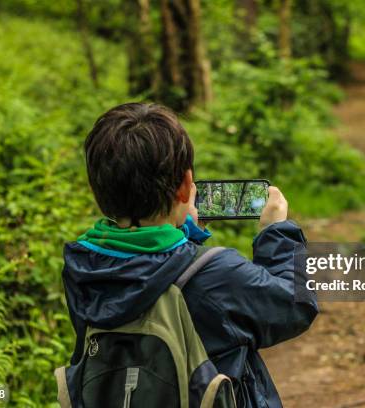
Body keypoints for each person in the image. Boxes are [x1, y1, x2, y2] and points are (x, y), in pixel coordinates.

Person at [61, 102, 318, 408]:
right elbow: (294, 305)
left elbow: (145, 273)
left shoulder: (84, 266)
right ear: (185, 185)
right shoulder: (216, 273)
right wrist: (276, 231)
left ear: (95, 189)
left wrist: (183, 237)